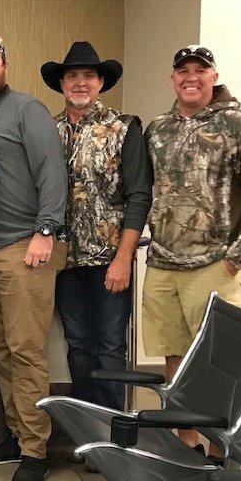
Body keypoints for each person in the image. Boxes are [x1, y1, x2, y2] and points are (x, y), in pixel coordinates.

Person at [143, 45, 241, 445]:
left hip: (213, 264)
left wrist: (237, 259)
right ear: (173, 78)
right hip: (162, 264)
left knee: (221, 361)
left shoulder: (240, 124)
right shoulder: (158, 128)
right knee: (174, 357)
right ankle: (185, 440)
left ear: (213, 76)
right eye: (182, 70)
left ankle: (225, 447)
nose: (191, 77)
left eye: (200, 70)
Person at [0, 30, 67, 481]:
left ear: (4, 66)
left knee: (26, 352)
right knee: (0, 352)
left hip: (24, 249)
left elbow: (52, 170)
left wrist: (46, 231)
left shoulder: (27, 110)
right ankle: (16, 433)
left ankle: (35, 450)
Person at [43, 41, 151, 412]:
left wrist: (123, 260)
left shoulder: (124, 128)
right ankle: (87, 432)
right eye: (72, 75)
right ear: (61, 84)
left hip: (110, 262)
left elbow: (139, 197)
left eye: (88, 75)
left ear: (101, 82)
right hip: (63, 262)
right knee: (78, 346)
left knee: (109, 348)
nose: (80, 82)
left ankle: (113, 434)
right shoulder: (48, 130)